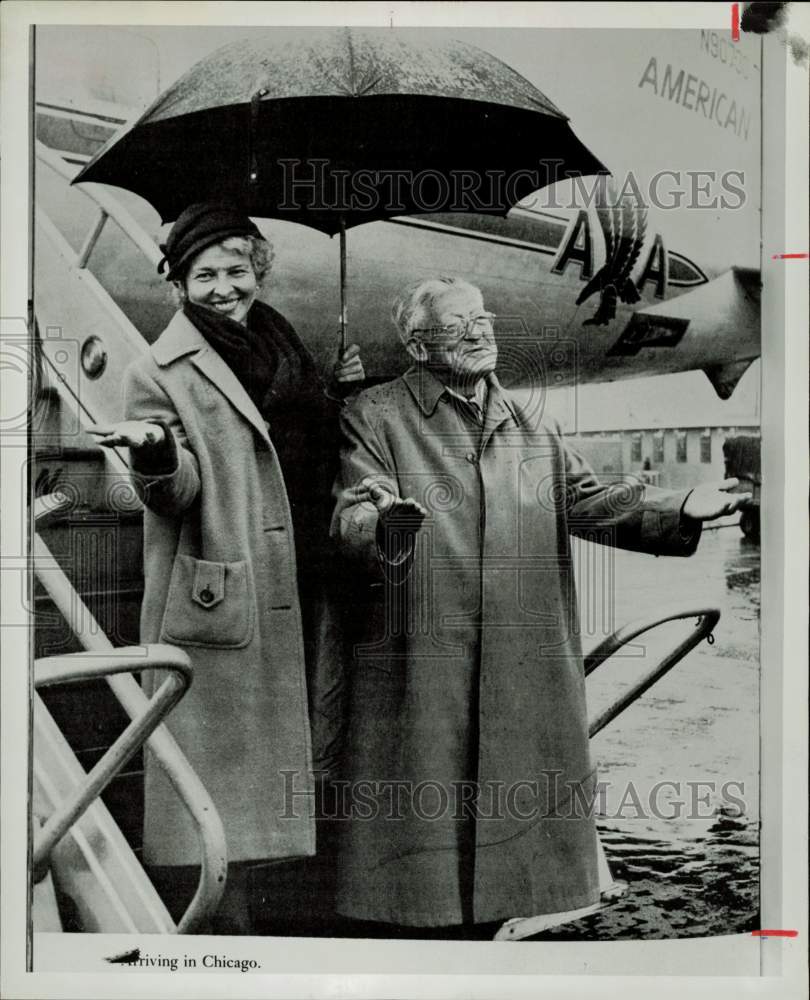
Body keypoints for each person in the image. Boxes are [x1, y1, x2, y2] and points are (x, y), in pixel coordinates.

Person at [329, 275, 751, 933]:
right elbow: (354, 513)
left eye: (483, 317)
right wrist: (378, 521)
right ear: (416, 345)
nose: (480, 330)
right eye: (458, 323)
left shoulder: (530, 419)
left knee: (510, 830)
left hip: (517, 663)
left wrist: (680, 506)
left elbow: (586, 498)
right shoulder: (375, 416)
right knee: (423, 844)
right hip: (426, 659)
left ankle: (496, 925)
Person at [89, 202, 363, 932]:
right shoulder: (158, 369)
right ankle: (225, 933)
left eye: (236, 270)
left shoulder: (284, 345)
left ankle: (284, 914)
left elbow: (305, 449)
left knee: (296, 755)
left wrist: (340, 394)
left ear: (258, 272)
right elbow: (175, 494)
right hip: (226, 586)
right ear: (178, 284)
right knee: (228, 777)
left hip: (301, 567)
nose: (222, 287)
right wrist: (152, 450)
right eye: (203, 275)